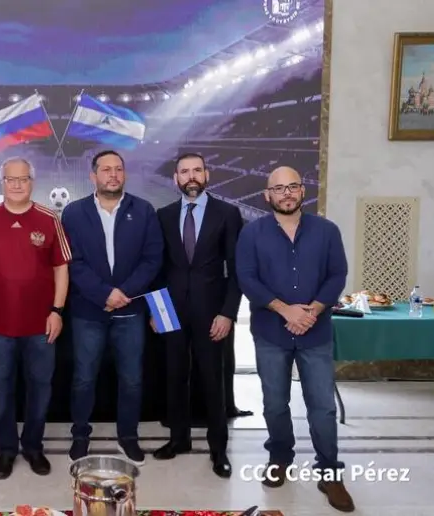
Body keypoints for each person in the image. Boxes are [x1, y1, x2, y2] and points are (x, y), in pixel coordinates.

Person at [236, 166, 353, 512]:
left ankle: (329, 472)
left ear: (303, 191)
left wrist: (312, 311)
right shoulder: (251, 233)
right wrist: (286, 310)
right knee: (274, 403)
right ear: (267, 195)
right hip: (271, 333)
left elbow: (337, 275)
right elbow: (247, 279)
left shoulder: (327, 231)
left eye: (293, 187)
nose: (286, 193)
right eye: (279, 188)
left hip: (315, 332)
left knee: (323, 407)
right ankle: (280, 457)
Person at [0, 156, 70, 479]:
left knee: (40, 388)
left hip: (40, 327)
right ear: (2, 183)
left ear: (32, 182)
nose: (17, 184)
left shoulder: (49, 219)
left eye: (23, 179)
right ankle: (7, 449)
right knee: (0, 389)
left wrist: (57, 311)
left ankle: (33, 447)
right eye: (11, 179)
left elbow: (61, 268)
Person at [60, 150, 163, 465]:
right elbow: (72, 262)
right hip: (88, 311)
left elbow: (152, 259)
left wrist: (125, 293)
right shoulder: (74, 213)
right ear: (93, 176)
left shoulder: (143, 210)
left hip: (131, 311)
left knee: (131, 379)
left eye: (118, 169)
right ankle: (80, 435)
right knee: (84, 378)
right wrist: (104, 294)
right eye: (106, 169)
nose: (113, 175)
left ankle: (128, 437)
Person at [153, 152, 242, 478]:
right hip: (172, 313)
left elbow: (237, 271)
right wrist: (157, 312)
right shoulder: (163, 215)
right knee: (174, 378)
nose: (191, 176)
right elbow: (157, 269)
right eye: (184, 172)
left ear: (207, 174)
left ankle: (219, 450)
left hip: (212, 314)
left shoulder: (227, 213)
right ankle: (179, 440)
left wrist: (228, 314)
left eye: (196, 170)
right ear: (176, 178)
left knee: (212, 381)